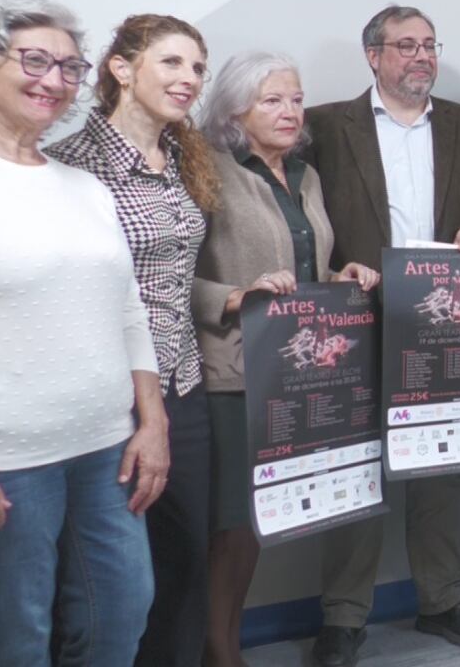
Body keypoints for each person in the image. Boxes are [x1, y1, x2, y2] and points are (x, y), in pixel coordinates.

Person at [0, 13, 220, 666]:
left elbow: (127, 309)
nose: (54, 80)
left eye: (67, 67)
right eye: (34, 60)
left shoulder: (82, 187)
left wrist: (152, 423)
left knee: (121, 615)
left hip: (104, 449)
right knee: (16, 636)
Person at [303, 5, 460, 665]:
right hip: (354, 319)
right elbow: (296, 212)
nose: (422, 56)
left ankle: (443, 599)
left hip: (442, 322)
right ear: (373, 55)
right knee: (355, 469)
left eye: (429, 45)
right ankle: (343, 617)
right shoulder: (326, 126)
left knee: (441, 467)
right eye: (406, 45)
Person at [192, 52, 380, 667]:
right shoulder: (206, 169)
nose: (290, 111)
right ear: (234, 110)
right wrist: (233, 296)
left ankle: (225, 645)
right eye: (272, 100)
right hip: (231, 372)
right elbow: (166, 275)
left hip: (294, 372)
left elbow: (302, 270)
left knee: (256, 520)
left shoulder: (305, 175)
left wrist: (339, 277)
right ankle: (219, 652)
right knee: (229, 525)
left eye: (296, 99)